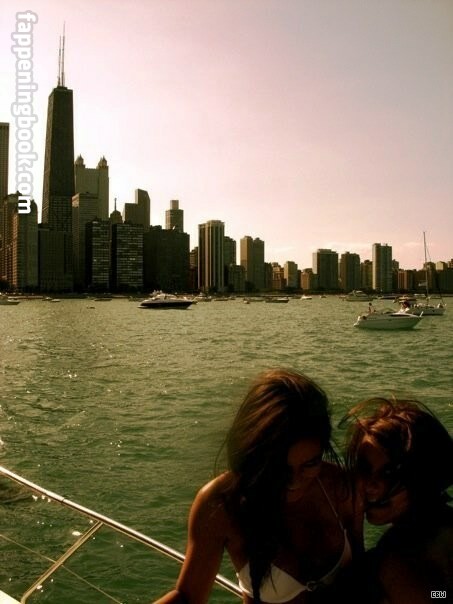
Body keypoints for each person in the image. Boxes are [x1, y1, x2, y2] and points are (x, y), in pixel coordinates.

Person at [154, 368, 363, 604]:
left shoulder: (340, 486)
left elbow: (364, 573)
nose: (294, 480)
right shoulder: (221, 503)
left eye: (310, 463)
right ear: (254, 452)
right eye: (279, 467)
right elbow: (187, 597)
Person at [342, 397, 453, 604]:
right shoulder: (443, 522)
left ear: (423, 477)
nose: (370, 486)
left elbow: (433, 596)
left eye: (389, 473)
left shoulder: (398, 560)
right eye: (365, 468)